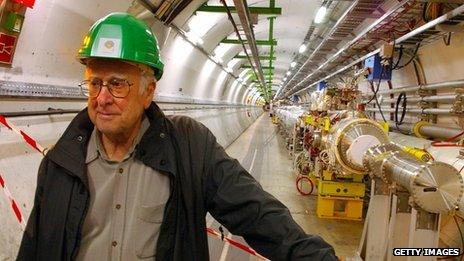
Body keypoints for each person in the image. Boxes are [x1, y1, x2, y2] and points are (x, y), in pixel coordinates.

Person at [17, 12, 337, 261]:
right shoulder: (61, 162)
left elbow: (256, 212)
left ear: (148, 91)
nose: (102, 98)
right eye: (94, 83)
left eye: (116, 84)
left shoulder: (188, 147)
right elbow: (33, 247)